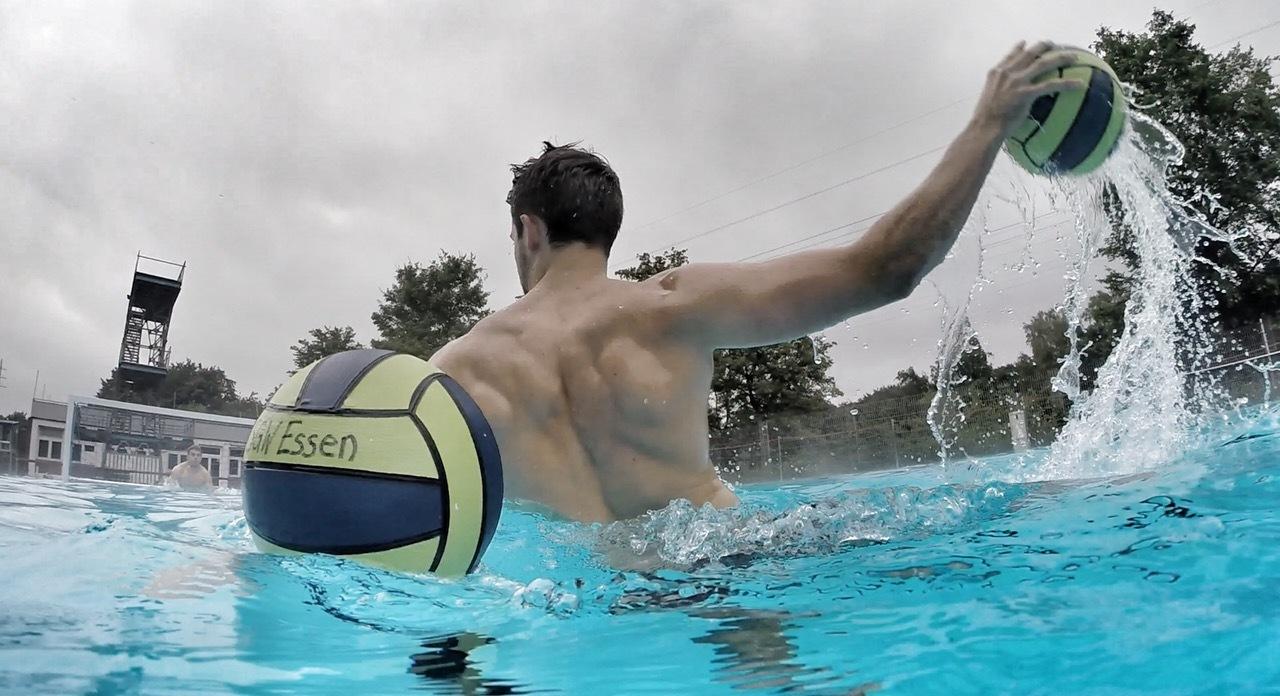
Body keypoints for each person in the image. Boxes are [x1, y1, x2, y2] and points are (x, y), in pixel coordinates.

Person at [433, 41, 1082, 523]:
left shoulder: (454, 370)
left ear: (529, 230)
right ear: (608, 229)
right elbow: (887, 269)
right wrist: (988, 123)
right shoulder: (671, 306)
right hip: (719, 569)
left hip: (577, 597)